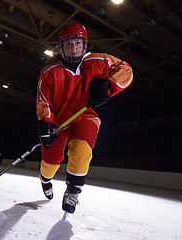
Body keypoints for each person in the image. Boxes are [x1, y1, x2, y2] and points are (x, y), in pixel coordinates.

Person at [36, 23, 133, 214]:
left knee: (82, 151)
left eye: (77, 43)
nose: (74, 48)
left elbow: (126, 70)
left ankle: (73, 190)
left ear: (84, 45)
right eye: (68, 44)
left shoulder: (99, 61)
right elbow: (43, 99)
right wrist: (45, 124)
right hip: (58, 122)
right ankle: (45, 180)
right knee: (51, 162)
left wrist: (108, 84)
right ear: (61, 48)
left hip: (85, 116)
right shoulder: (49, 72)